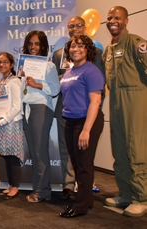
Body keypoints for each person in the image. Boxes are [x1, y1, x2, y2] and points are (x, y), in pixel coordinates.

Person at [52, 16, 105, 200]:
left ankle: (85, 191)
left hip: (86, 111)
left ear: (85, 27)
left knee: (83, 157)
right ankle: (68, 185)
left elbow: (98, 86)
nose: (74, 28)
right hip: (65, 110)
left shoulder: (96, 53)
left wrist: (94, 111)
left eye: (78, 25)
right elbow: (56, 81)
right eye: (70, 26)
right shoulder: (59, 54)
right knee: (68, 151)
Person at [103, 6, 147, 217]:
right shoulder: (108, 50)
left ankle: (141, 198)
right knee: (119, 151)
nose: (113, 21)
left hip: (135, 103)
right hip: (116, 105)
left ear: (126, 21)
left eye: (117, 17)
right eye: (110, 17)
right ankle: (126, 194)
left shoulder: (136, 43)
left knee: (136, 151)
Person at [20, 31, 60, 202]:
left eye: (37, 44)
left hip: (41, 108)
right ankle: (39, 188)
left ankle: (43, 191)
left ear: (43, 46)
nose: (33, 47)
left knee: (40, 151)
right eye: (30, 44)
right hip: (26, 108)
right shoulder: (23, 65)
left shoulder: (49, 66)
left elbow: (55, 89)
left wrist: (38, 85)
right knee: (34, 152)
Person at [0, 52, 24, 200]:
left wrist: (3, 120)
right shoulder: (2, 81)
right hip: (2, 123)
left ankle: (15, 187)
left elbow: (17, 106)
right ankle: (11, 185)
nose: (1, 65)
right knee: (6, 156)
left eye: (5, 62)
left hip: (11, 123)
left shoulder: (14, 82)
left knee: (13, 157)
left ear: (11, 65)